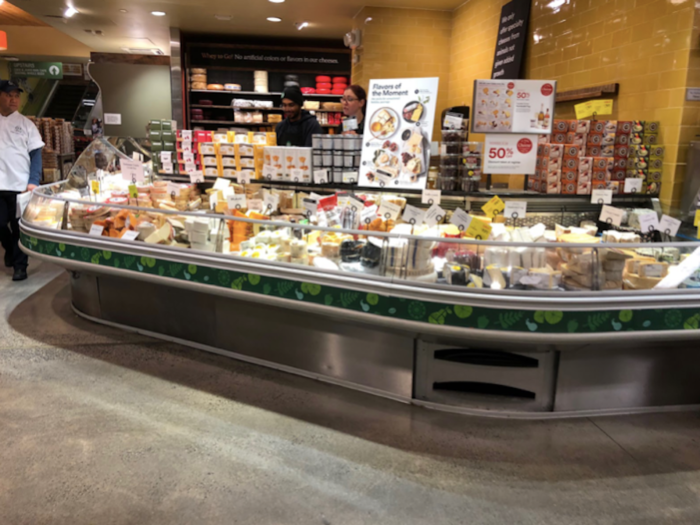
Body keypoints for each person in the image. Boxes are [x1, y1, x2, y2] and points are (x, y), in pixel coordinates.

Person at [0, 80, 44, 282]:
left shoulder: (27, 125)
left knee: (19, 228)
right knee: (1, 225)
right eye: (9, 95)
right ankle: (9, 248)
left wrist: (33, 180)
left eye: (16, 95)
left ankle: (20, 267)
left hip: (20, 186)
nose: (13, 99)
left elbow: (36, 154)